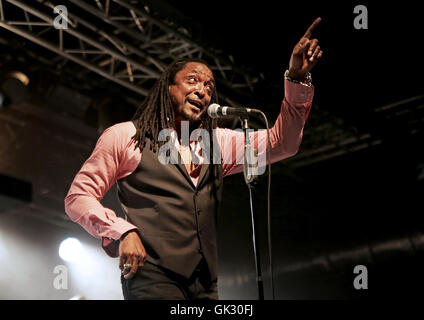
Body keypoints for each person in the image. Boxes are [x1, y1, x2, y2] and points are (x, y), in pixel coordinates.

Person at [64, 18, 323, 300]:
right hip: (152, 276)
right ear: (168, 89)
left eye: (210, 87)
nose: (203, 90)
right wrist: (123, 232)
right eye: (192, 81)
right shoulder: (127, 136)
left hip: (205, 282)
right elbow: (78, 197)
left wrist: (296, 78)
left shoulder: (218, 142)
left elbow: (281, 143)